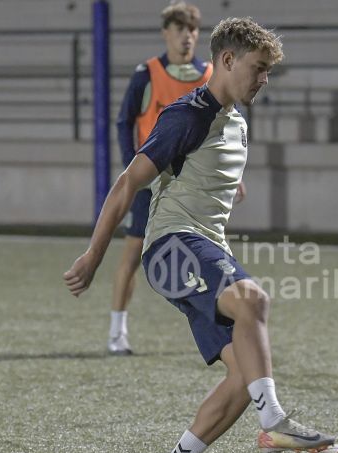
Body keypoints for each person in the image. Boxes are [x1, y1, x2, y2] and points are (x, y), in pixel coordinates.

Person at [64, 17, 334, 453]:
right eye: (259, 68)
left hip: (203, 246)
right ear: (227, 60)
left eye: (269, 71)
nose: (264, 79)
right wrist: (94, 254)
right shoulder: (187, 115)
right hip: (172, 245)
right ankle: (273, 421)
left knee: (240, 376)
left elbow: (208, 173)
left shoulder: (235, 120)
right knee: (252, 299)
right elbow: (128, 182)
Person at [108, 1, 214, 355]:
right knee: (133, 254)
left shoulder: (210, 75)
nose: (187, 37)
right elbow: (124, 121)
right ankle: (117, 331)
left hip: (192, 186)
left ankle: (213, 327)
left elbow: (224, 129)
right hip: (151, 182)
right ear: (165, 33)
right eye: (180, 29)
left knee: (206, 255)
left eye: (193, 30)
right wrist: (133, 167)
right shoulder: (147, 74)